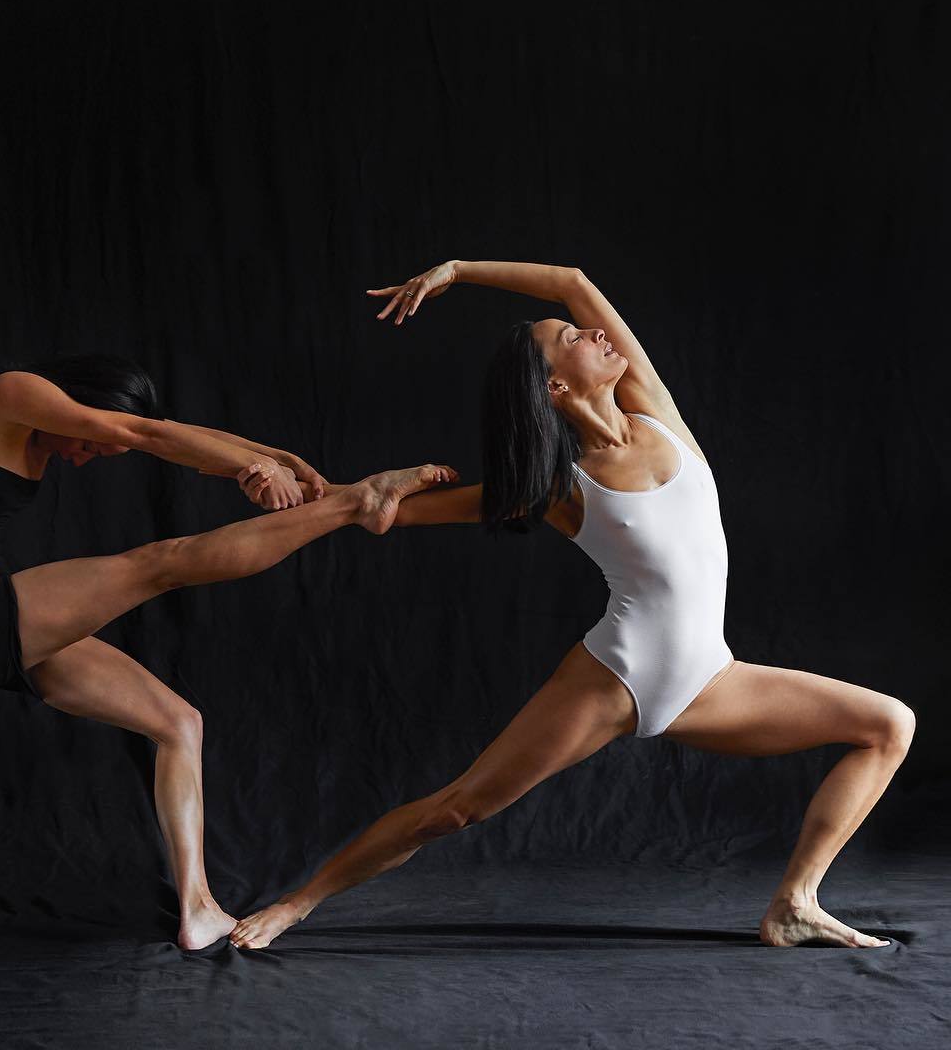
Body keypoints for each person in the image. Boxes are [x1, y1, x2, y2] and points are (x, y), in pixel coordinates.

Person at [230, 260, 915, 951]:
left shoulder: (657, 414)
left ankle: (795, 904)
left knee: (888, 725)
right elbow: (382, 513)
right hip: (616, 675)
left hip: (713, 679)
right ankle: (296, 904)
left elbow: (573, 283)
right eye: (571, 339)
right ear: (555, 386)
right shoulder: (559, 486)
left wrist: (458, 271)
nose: (595, 332)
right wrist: (307, 491)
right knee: (455, 811)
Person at [0, 352, 455, 952]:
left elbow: (166, 433)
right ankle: (360, 504)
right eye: (89, 445)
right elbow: (148, 436)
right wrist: (257, 465)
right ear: (80, 398)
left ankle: (198, 909)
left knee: (179, 724)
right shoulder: (9, 392)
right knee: (163, 563)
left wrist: (277, 459)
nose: (81, 458)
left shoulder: (46, 422)